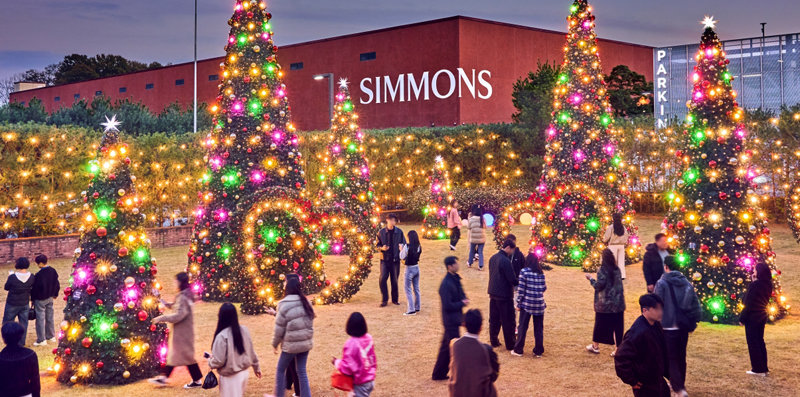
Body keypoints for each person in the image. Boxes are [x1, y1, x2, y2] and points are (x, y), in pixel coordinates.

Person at [654, 256, 702, 397]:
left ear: (666, 267)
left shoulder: (662, 283)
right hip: (683, 326)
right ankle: (680, 384)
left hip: (668, 326)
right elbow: (695, 304)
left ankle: (678, 388)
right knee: (681, 356)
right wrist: (694, 321)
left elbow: (657, 303)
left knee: (671, 358)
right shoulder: (686, 283)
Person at [149, 272, 203, 388]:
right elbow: (176, 306)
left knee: (180, 355)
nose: (174, 283)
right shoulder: (185, 295)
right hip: (184, 331)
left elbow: (180, 315)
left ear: (180, 282)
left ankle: (165, 378)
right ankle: (194, 380)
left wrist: (162, 318)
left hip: (183, 332)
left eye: (176, 281)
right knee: (182, 356)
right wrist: (162, 301)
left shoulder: (183, 296)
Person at [614, 294, 670, 397]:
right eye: (656, 309)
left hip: (658, 380)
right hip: (645, 386)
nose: (661, 312)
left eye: (661, 308)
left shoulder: (656, 325)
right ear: (645, 310)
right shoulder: (637, 333)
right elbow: (621, 357)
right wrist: (632, 381)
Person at [272, 275, 315, 397]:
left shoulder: (283, 304)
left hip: (291, 345)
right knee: (301, 371)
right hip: (305, 344)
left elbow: (279, 328)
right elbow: (310, 323)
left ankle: (279, 394)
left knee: (280, 369)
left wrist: (275, 344)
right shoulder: (306, 302)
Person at [208, 303, 261, 397]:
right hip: (244, 373)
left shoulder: (222, 336)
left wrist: (210, 361)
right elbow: (251, 351)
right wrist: (256, 367)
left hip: (230, 377)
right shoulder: (244, 330)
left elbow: (219, 361)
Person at [432, 256, 468, 380]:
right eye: (456, 263)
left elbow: (460, 293)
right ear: (450, 266)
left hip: (454, 319)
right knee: (452, 349)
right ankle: (446, 373)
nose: (458, 265)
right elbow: (448, 305)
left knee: (446, 348)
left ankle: (438, 373)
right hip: (450, 320)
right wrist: (462, 303)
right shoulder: (446, 284)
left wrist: (463, 300)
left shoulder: (455, 279)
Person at [449, 309, 499, 397]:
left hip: (457, 393)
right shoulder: (486, 349)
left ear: (464, 324)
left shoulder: (455, 345)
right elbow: (494, 374)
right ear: (481, 327)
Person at [585, 249, 626, 356]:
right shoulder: (617, 269)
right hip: (618, 303)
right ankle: (618, 349)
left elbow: (599, 286)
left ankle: (595, 346)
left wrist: (590, 279)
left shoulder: (602, 270)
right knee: (618, 327)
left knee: (599, 324)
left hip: (605, 304)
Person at [739, 262, 773, 377]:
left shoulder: (755, 285)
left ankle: (757, 369)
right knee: (760, 342)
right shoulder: (768, 284)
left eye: (754, 270)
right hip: (762, 316)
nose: (753, 272)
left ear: (759, 272)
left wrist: (742, 318)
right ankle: (764, 368)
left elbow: (747, 302)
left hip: (752, 317)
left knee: (753, 343)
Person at [333, 312, 377, 397]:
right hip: (370, 379)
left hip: (360, 382)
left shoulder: (351, 344)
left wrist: (337, 363)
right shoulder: (368, 338)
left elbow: (347, 366)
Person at [512, 253, 546, 357]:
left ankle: (518, 349)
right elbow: (544, 288)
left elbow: (521, 290)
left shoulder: (524, 272)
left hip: (527, 304)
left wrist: (518, 303)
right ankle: (538, 351)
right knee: (538, 328)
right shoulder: (541, 273)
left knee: (522, 326)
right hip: (540, 304)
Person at [488, 240, 518, 350]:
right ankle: (510, 344)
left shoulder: (493, 258)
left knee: (494, 319)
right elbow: (512, 279)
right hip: (504, 295)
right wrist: (521, 280)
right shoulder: (505, 261)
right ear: (509, 247)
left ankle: (494, 341)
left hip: (493, 293)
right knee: (508, 320)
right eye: (512, 250)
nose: (512, 252)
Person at [0, 322, 40, 397]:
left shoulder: (1, 357)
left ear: (3, 338)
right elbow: (35, 382)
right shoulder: (30, 355)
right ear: (21, 336)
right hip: (26, 394)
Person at [3, 257, 34, 347]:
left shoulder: (13, 277)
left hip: (12, 303)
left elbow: (6, 287)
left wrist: (9, 276)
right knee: (24, 323)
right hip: (24, 303)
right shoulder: (31, 277)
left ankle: (9, 342)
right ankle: (21, 343)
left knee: (8, 323)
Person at [377, 214, 406, 306]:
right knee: (382, 279)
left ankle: (395, 299)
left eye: (394, 220)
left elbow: (404, 244)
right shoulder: (381, 232)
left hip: (395, 259)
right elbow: (377, 245)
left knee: (394, 280)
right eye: (391, 220)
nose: (392, 222)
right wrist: (382, 248)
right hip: (384, 260)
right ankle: (384, 299)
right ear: (387, 220)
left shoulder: (399, 232)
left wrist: (402, 248)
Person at [30, 254, 59, 347]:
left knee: (40, 319)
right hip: (50, 297)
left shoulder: (39, 275)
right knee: (49, 317)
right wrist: (55, 294)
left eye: (38, 263)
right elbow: (56, 283)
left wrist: (33, 299)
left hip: (40, 299)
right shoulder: (53, 271)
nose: (37, 265)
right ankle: (51, 336)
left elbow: (35, 288)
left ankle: (41, 339)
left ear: (41, 263)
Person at [603, 213, 629, 280]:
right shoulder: (623, 227)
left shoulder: (611, 227)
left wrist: (604, 241)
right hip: (621, 246)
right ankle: (622, 275)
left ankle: (613, 275)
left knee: (613, 261)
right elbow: (626, 236)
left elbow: (606, 237)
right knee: (621, 261)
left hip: (613, 246)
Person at [404, 230, 422, 315]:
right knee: (416, 288)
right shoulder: (419, 246)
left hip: (409, 268)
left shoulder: (407, 246)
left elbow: (402, 256)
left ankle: (411, 309)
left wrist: (401, 249)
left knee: (407, 288)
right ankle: (417, 306)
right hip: (416, 267)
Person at [467, 205, 487, 270]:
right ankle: (481, 266)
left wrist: (468, 240)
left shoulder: (471, 219)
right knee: (480, 252)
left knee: (472, 251)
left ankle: (470, 263)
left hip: (473, 239)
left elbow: (469, 229)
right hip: (482, 239)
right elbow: (485, 227)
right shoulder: (483, 219)